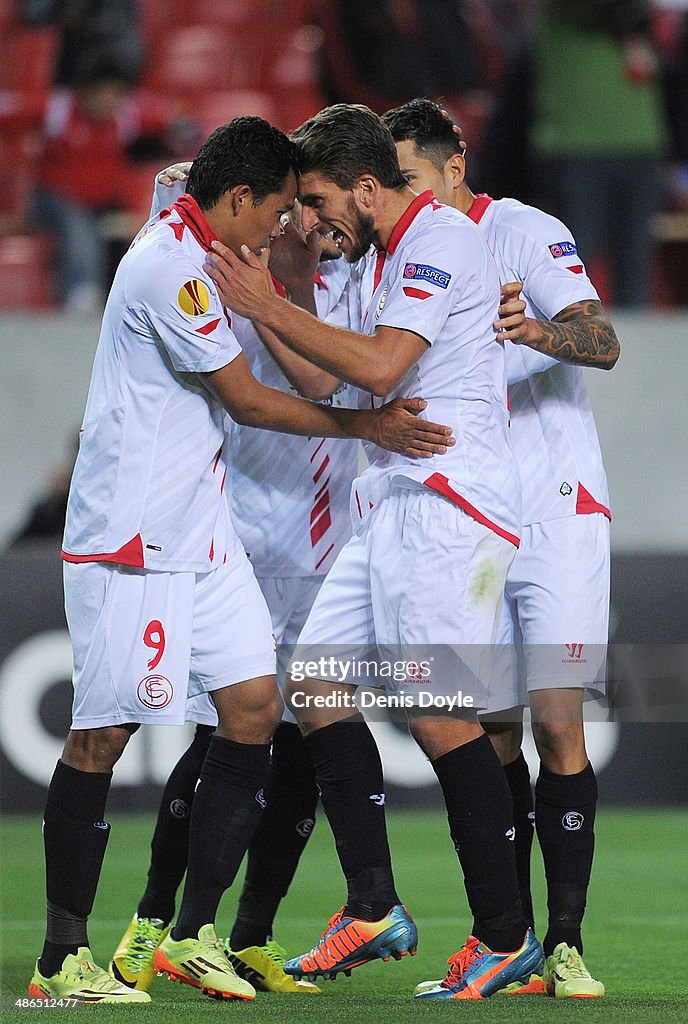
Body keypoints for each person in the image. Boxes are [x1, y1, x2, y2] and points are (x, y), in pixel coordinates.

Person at [27, 115, 455, 1005]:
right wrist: (367, 425)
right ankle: (62, 957)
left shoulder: (200, 227)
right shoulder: (171, 268)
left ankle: (194, 935)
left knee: (256, 709)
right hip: (133, 536)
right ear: (236, 201)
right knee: (103, 736)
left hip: (203, 528)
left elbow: (188, 177)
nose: (285, 227)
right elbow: (249, 401)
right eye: (276, 209)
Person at [204, 102, 543, 1001]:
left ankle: (506, 937)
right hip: (390, 495)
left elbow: (384, 368)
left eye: (315, 201)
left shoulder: (440, 240)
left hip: (449, 500)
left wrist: (265, 302)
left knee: (435, 713)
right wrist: (266, 301)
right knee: (315, 685)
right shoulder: (384, 255)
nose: (308, 222)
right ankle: (372, 905)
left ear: (365, 185)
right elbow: (326, 376)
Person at [381, 97, 620, 999]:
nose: (403, 196)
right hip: (468, 518)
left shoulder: (523, 231)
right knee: (489, 731)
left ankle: (565, 943)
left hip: (556, 508)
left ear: (454, 165)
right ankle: (509, 942)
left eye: (409, 177)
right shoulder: (403, 257)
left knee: (558, 720)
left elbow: (602, 339)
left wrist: (532, 330)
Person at [108, 171, 358, 996]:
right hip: (242, 540)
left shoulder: (353, 284)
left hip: (329, 556)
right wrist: (171, 187)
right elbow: (170, 220)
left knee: (296, 752)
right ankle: (154, 922)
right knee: (222, 738)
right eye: (300, 211)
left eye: (318, 209)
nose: (314, 224)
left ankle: (246, 936)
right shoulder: (218, 275)